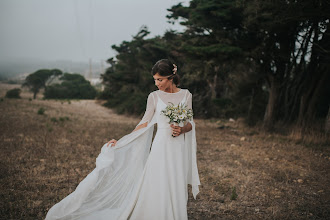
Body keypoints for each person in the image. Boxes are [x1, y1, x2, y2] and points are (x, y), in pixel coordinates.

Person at [45, 59, 200, 220]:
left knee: (176, 179)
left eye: (160, 79)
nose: (156, 83)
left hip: (178, 147)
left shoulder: (186, 95)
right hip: (161, 146)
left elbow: (190, 123)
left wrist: (182, 129)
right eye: (154, 79)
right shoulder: (154, 96)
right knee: (158, 180)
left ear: (171, 77)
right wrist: (121, 142)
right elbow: (144, 123)